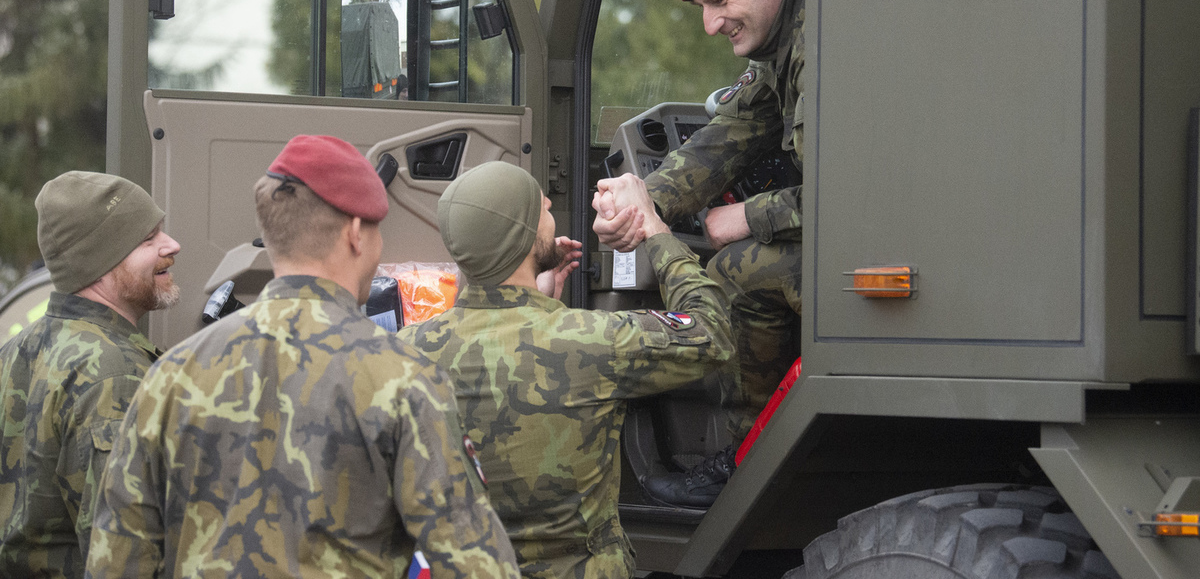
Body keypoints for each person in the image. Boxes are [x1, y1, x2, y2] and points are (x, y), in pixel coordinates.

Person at [85, 135, 519, 579]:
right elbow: (478, 563)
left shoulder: (170, 376)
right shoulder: (403, 376)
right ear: (355, 233)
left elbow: (116, 561)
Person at [399, 162, 734, 578]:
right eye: (542, 209)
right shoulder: (593, 340)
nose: (550, 206)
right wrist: (654, 228)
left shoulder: (402, 353)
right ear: (522, 239)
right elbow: (713, 332)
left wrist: (545, 309)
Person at [594, 0, 805, 507]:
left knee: (737, 270)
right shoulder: (785, 42)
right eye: (703, 8)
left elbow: (851, 196)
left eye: (719, 1)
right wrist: (642, 200)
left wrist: (747, 217)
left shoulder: (819, 43)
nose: (712, 24)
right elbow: (731, 134)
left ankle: (747, 469)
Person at [0, 171, 181, 577]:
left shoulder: (14, 352)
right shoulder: (114, 375)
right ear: (100, 262)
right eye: (148, 239)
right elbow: (125, 557)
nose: (172, 246)